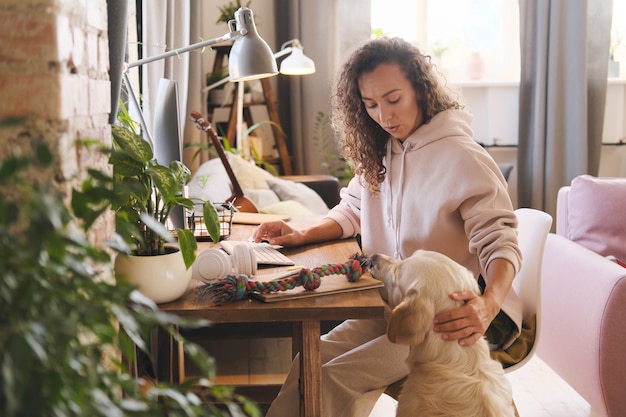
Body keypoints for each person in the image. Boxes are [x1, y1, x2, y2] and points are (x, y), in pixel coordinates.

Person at [253, 36, 522, 417]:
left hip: (441, 319)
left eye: (393, 99)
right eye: (371, 105)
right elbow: (353, 209)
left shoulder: (464, 157)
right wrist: (301, 234)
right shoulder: (383, 150)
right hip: (392, 304)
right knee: (308, 364)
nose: (384, 115)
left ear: (421, 89)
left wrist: (488, 304)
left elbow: (501, 242)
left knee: (332, 378)